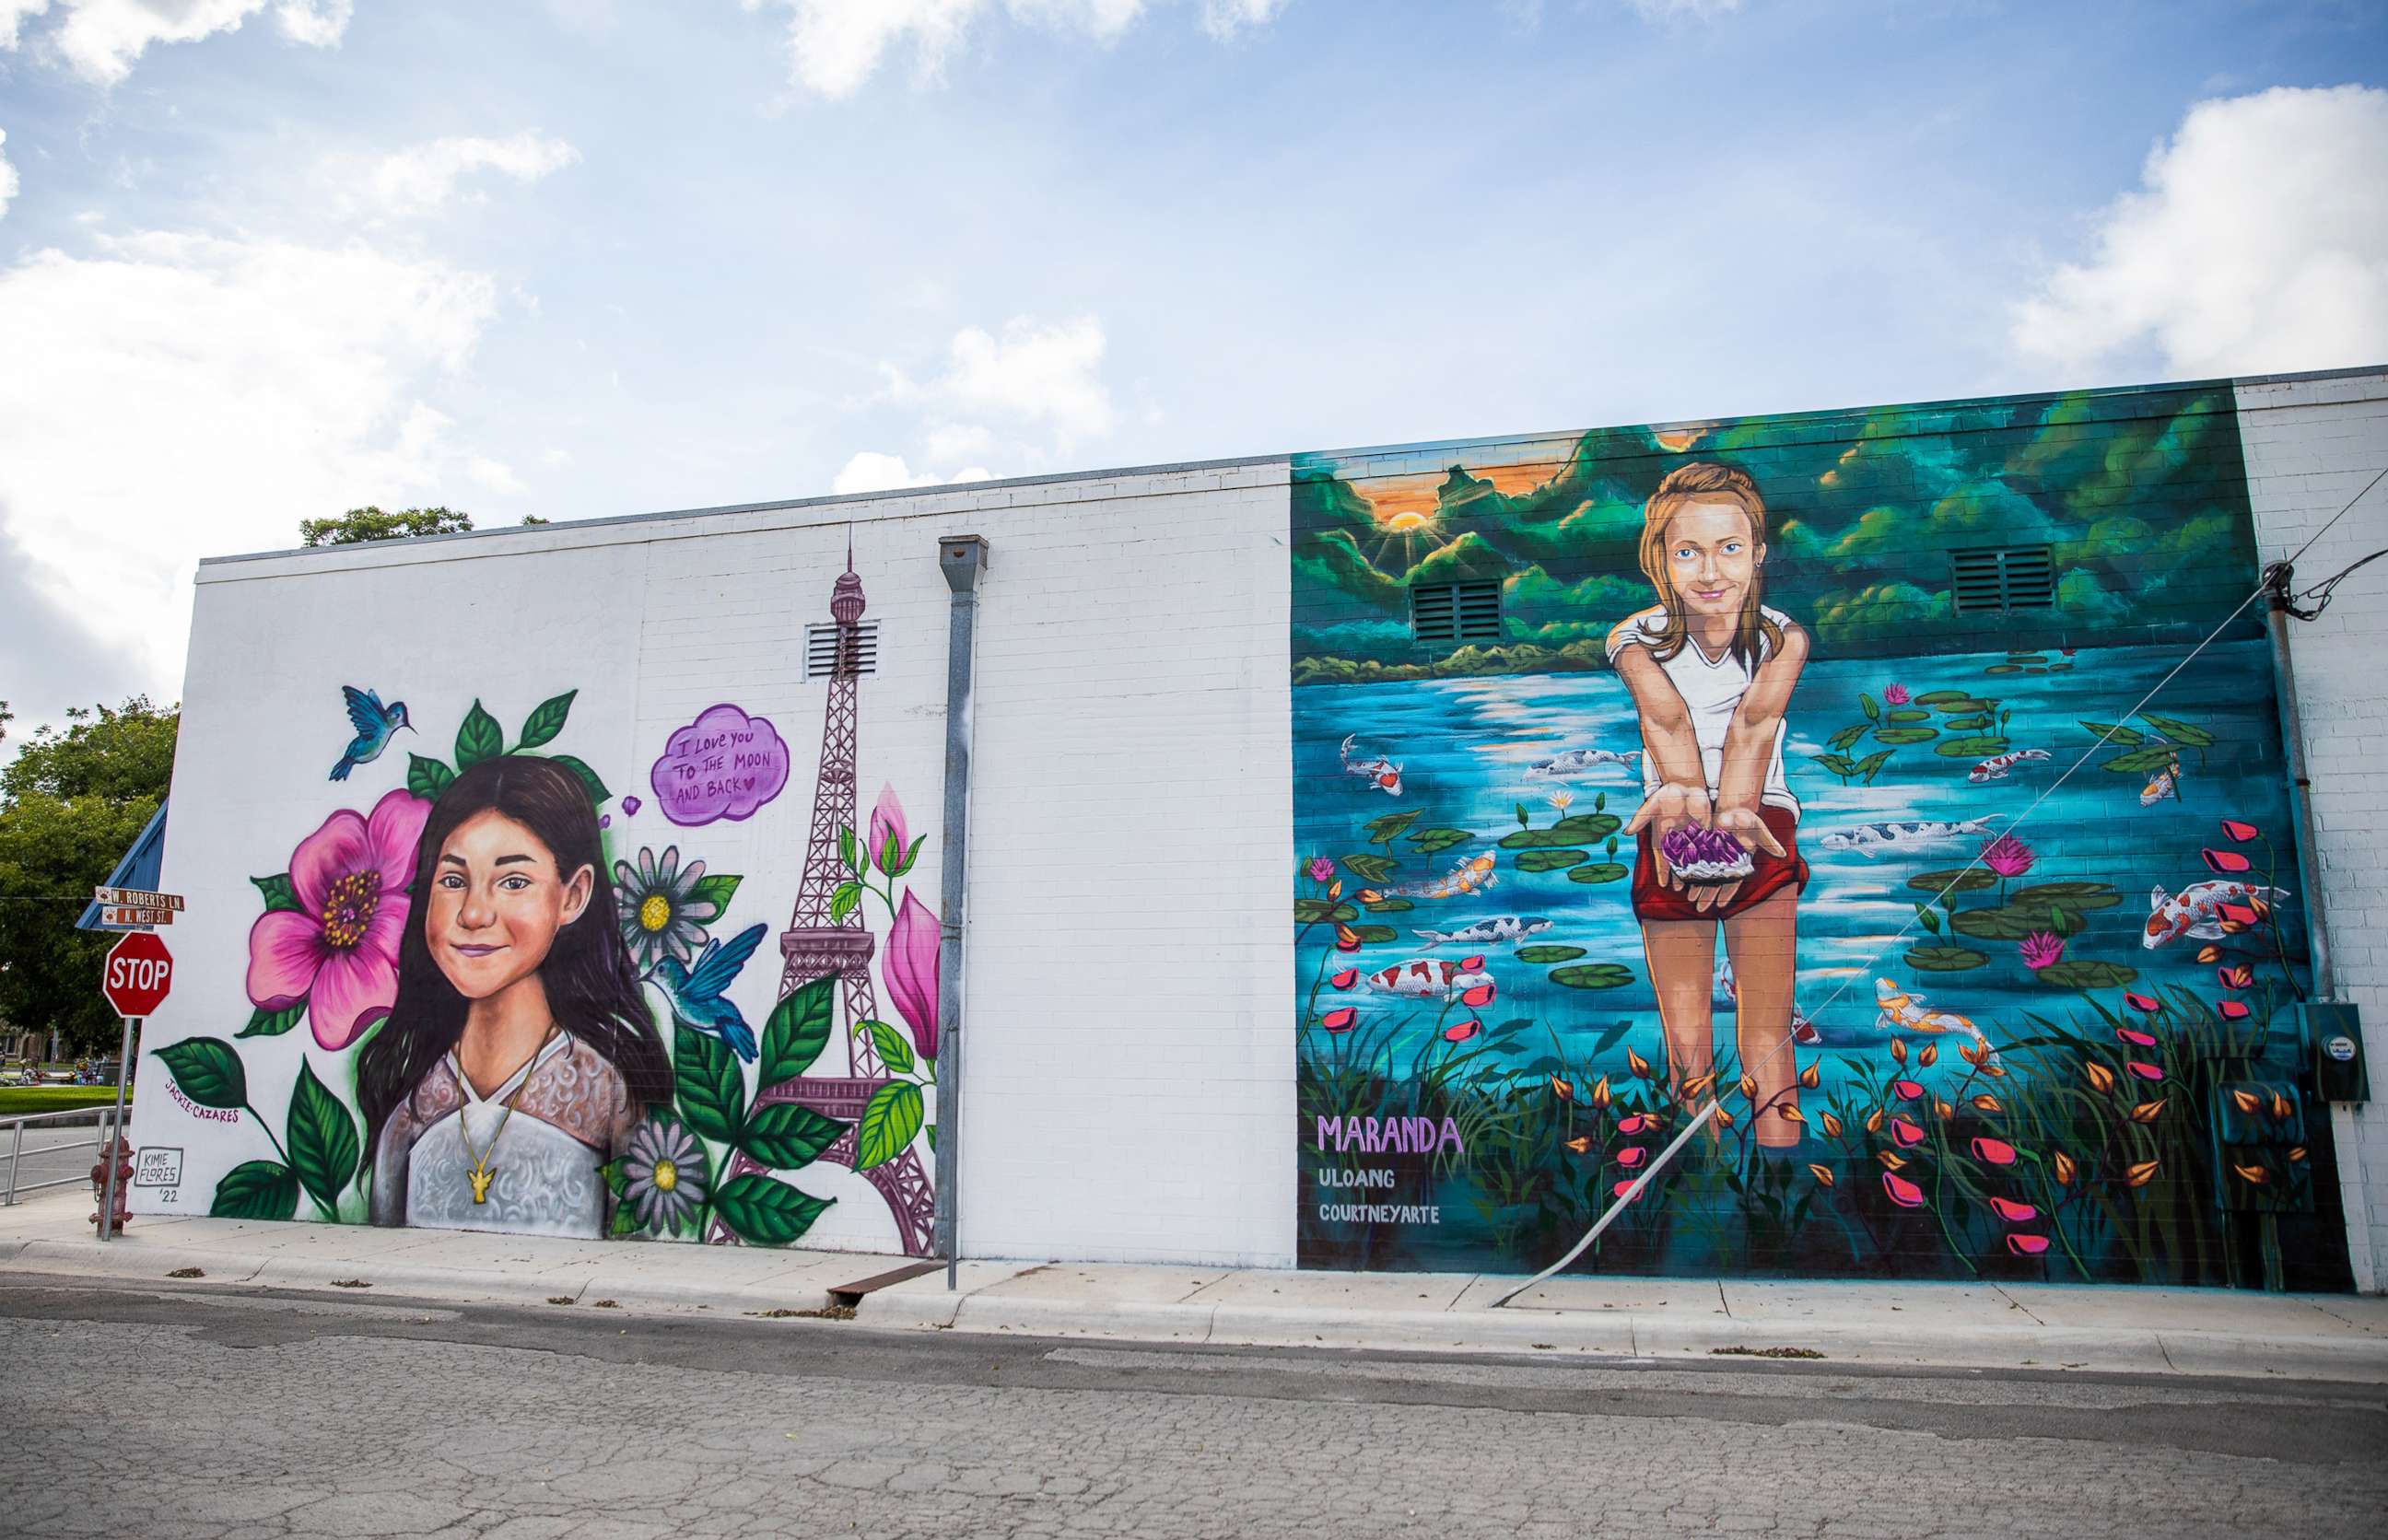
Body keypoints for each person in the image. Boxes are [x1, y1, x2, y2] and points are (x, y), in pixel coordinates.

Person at [358, 754, 673, 1235]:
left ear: (573, 896)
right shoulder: (413, 1095)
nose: (474, 913)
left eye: (514, 881)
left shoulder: (607, 1092)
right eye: (453, 880)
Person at [1610, 462, 1809, 1151]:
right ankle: (1696, 1170)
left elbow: (1753, 726)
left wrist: (1734, 828)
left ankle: (1781, 1170)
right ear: (1659, 558)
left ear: (1758, 551)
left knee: (1765, 1031)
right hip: (1670, 817)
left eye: (1729, 546)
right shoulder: (1633, 639)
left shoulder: (1785, 639)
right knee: (1687, 1037)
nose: (1709, 569)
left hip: (1761, 817)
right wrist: (1692, 819)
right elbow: (1665, 721)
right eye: (1687, 550)